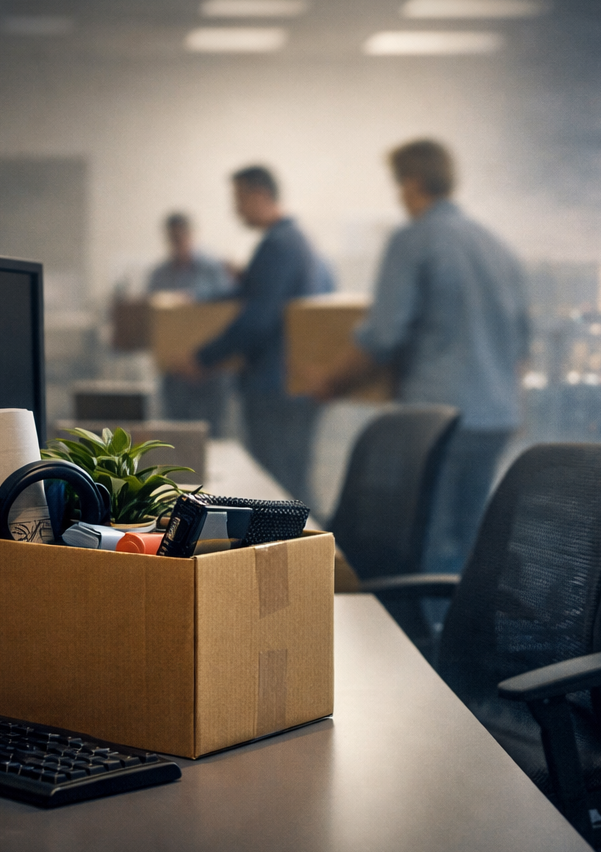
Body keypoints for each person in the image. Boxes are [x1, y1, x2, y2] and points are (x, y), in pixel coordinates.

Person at [315, 139, 530, 572]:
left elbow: (383, 334)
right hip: (494, 418)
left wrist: (328, 382)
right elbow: (521, 346)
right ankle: (452, 635)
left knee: (423, 543)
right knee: (469, 544)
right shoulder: (498, 247)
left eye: (399, 186)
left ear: (411, 183)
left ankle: (419, 638)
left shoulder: (414, 240)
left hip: (438, 419)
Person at [186, 165, 334, 501]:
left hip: (276, 388)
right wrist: (199, 301)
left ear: (260, 195)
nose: (235, 209)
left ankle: (302, 554)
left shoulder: (280, 245)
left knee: (279, 487)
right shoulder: (292, 242)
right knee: (289, 482)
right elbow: (250, 296)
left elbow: (257, 318)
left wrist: (202, 358)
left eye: (239, 199)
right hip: (284, 387)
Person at [147, 212, 234, 436]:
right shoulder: (159, 275)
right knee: (177, 433)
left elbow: (225, 313)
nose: (177, 242)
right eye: (172, 238)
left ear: (190, 235)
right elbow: (153, 322)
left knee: (212, 433)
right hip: (175, 369)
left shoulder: (213, 269)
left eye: (181, 236)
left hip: (211, 368)